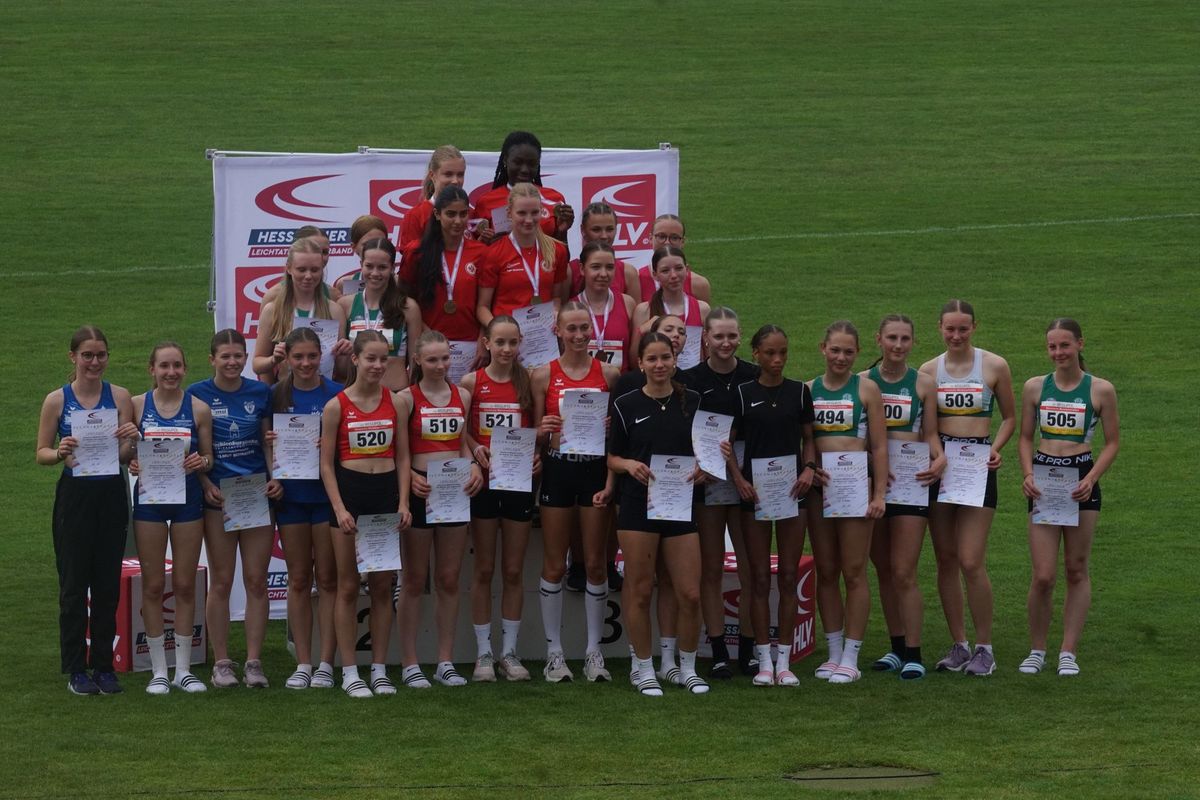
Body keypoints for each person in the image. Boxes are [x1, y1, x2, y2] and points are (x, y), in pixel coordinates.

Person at [36, 326, 138, 695]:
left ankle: (104, 667)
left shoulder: (120, 396)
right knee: (74, 584)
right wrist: (59, 452)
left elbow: (125, 456)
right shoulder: (57, 400)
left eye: (101, 355)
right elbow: (41, 453)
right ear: (73, 357)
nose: (95, 362)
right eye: (87, 355)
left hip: (110, 493)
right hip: (75, 496)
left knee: (108, 584)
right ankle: (76, 669)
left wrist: (131, 441)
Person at [919, 299, 1016, 677]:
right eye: (950, 329)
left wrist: (995, 448)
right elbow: (927, 426)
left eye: (963, 328)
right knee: (945, 559)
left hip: (977, 466)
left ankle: (984, 648)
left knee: (971, 560)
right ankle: (959, 644)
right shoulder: (929, 371)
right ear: (940, 328)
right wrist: (936, 454)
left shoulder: (994, 366)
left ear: (974, 327)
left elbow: (1009, 418)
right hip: (941, 468)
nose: (956, 335)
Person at [610, 332, 710, 696]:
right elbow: (612, 456)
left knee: (690, 593)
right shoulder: (625, 404)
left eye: (665, 357)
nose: (659, 365)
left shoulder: (693, 401)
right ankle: (642, 667)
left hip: (680, 504)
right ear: (640, 363)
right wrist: (628, 465)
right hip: (637, 504)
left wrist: (704, 468)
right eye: (651, 359)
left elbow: (707, 453)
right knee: (639, 590)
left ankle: (684, 666)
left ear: (675, 359)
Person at [1018, 318, 1119, 677]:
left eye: (1065, 345)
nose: (1058, 352)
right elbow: (1025, 437)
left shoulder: (1100, 389)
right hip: (1044, 482)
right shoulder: (1035, 387)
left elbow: (1112, 443)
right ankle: (1037, 650)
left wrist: (1091, 478)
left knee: (1076, 569)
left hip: (1081, 481)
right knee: (1043, 575)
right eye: (1052, 346)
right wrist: (1028, 474)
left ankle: (1068, 652)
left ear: (1079, 344)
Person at [531, 302, 621, 682]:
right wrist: (543, 429)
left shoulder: (610, 374)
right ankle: (554, 653)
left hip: (594, 471)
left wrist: (609, 426)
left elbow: (618, 433)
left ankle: (593, 653)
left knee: (596, 563)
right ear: (558, 331)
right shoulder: (542, 375)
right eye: (572, 329)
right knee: (554, 563)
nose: (580, 335)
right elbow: (537, 434)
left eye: (585, 328)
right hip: (558, 470)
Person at [319, 331, 410, 698]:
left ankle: (379, 669)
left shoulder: (396, 402)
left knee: (382, 586)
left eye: (383, 359)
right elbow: (326, 465)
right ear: (355, 359)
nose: (377, 365)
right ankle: (350, 672)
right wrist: (340, 508)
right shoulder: (336, 406)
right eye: (370, 358)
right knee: (347, 586)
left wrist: (403, 503)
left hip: (384, 495)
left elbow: (403, 456)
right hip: (350, 496)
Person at [189, 330, 280, 689]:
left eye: (238, 356)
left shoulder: (260, 393)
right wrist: (205, 485)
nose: (232, 362)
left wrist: (276, 477)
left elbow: (267, 443)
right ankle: (222, 663)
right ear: (212, 359)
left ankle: (254, 663)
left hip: (256, 496)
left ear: (245, 357)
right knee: (222, 581)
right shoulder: (196, 394)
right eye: (225, 356)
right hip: (218, 499)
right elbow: (194, 450)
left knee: (256, 581)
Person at [394, 330, 484, 687]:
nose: (439, 365)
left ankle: (445, 661)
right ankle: (410, 662)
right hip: (421, 491)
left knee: (448, 579)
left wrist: (473, 465)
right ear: (417, 360)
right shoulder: (406, 398)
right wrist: (410, 480)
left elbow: (461, 444)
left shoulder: (462, 395)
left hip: (453, 493)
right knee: (414, 580)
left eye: (445, 358)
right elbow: (400, 451)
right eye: (432, 360)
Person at [729, 325, 816, 687]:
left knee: (790, 575)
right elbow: (726, 444)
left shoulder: (799, 392)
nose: (777, 360)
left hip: (794, 492)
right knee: (760, 577)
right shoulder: (742, 394)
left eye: (783, 353)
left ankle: (785, 659)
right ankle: (763, 658)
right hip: (756, 494)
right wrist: (739, 480)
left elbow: (809, 438)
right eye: (770, 353)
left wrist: (809, 468)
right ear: (756, 354)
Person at [805, 321, 889, 684]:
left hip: (856, 488)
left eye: (848, 352)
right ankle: (834, 651)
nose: (841, 357)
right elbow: (805, 442)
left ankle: (852, 656)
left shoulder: (867, 389)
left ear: (857, 354)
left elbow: (880, 447)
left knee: (854, 571)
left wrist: (880, 493)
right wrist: (809, 469)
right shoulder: (808, 390)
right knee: (826, 571)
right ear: (823, 348)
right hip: (819, 491)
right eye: (835, 350)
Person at [863, 315, 945, 680]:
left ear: (913, 342)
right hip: (871, 484)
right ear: (878, 340)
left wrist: (939, 457)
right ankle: (896, 647)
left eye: (905, 339)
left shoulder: (924, 383)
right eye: (892, 338)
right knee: (882, 568)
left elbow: (931, 433)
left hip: (911, 482)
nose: (898, 345)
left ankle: (914, 652)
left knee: (903, 571)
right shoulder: (863, 382)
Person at [130, 342, 215, 694]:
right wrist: (131, 460)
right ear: (152, 369)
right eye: (164, 366)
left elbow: (208, 457)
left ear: (185, 368)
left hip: (187, 502)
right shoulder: (136, 405)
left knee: (184, 584)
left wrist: (201, 462)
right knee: (152, 585)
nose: (171, 372)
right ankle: (158, 671)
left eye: (177, 365)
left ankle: (183, 670)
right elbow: (124, 450)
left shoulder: (198, 408)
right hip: (150, 502)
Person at [681, 307, 759, 679]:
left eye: (731, 336)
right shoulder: (689, 380)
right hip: (708, 482)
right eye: (718, 336)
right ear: (706, 339)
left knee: (750, 569)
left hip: (747, 481)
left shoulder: (754, 375)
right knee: (711, 569)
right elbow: (683, 431)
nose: (725, 343)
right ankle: (717, 651)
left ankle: (748, 649)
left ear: (740, 336)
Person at [461, 317, 538, 681]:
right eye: (500, 342)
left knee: (513, 570)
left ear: (520, 343)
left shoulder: (529, 381)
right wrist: (474, 449)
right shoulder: (471, 382)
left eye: (513, 342)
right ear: (486, 343)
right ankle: (483, 654)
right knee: (484, 568)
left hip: (519, 482)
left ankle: (509, 652)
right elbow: (460, 431)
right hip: (485, 485)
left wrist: (539, 455)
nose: (507, 349)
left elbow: (538, 431)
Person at [270, 327, 342, 689]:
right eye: (298, 357)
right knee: (298, 579)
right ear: (287, 358)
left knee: (328, 580)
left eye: (312, 356)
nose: (305, 363)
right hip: (292, 498)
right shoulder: (276, 395)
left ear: (321, 355)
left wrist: (330, 443)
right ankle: (303, 662)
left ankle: (326, 663)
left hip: (326, 499)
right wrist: (270, 448)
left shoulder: (337, 394)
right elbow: (264, 444)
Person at [400, 186, 490, 384]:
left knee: (466, 400)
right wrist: (427, 333)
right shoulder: (417, 252)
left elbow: (486, 303)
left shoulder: (481, 252)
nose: (458, 221)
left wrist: (484, 341)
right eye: (450, 214)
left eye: (463, 214)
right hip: (429, 346)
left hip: (471, 348)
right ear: (437, 214)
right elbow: (405, 298)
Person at [254, 238, 352, 384]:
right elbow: (257, 364)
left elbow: (342, 370)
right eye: (301, 269)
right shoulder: (273, 310)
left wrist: (346, 353)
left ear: (322, 269)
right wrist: (273, 359)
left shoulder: (334, 310)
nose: (308, 276)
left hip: (324, 393)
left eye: (314, 270)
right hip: (286, 392)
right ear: (289, 268)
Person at [476, 182, 569, 324]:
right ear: (509, 213)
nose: (529, 220)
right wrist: (498, 330)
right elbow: (482, 307)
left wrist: (556, 311)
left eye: (534, 212)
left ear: (542, 211)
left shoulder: (557, 250)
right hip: (508, 335)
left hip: (543, 333)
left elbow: (557, 298)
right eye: (521, 213)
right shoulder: (493, 253)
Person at [338, 236, 422, 391]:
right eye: (369, 266)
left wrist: (411, 397)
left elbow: (416, 362)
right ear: (361, 265)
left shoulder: (408, 307)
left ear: (392, 268)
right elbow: (339, 366)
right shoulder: (345, 305)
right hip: (356, 396)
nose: (375, 273)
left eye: (382, 267)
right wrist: (344, 353)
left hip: (396, 394)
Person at [471, 131, 573, 243]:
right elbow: (474, 249)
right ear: (505, 160)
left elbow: (562, 251)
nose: (524, 169)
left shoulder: (555, 199)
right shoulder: (486, 202)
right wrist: (490, 245)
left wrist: (562, 231)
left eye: (531, 163)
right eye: (518, 162)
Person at [630, 246, 710, 370]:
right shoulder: (644, 310)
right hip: (658, 376)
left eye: (679, 268)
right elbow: (634, 362)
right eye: (665, 271)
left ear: (687, 270)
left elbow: (709, 354)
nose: (673, 275)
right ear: (655, 275)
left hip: (694, 378)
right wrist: (642, 331)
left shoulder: (702, 309)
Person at [574, 242, 636, 372]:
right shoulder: (571, 308)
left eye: (609, 267)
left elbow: (635, 353)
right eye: (596, 267)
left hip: (620, 382)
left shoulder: (628, 303)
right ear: (582, 269)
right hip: (583, 383)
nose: (603, 274)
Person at [568, 202, 640, 301]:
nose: (604, 236)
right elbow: (558, 307)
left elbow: (636, 310)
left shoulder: (628, 273)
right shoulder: (569, 272)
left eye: (609, 229)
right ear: (583, 230)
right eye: (596, 230)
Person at [399, 145, 468, 249]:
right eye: (448, 174)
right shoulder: (416, 216)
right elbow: (409, 256)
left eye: (460, 175)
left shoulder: (469, 213)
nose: (455, 181)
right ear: (432, 175)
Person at [634, 215, 711, 303]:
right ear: (651, 239)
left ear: (682, 242)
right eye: (661, 236)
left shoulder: (698, 284)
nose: (667, 242)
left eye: (674, 238)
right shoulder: (636, 281)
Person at [260, 225, 335, 308]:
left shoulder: (333, 295)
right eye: (313, 249)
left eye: (324, 252)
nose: (319, 256)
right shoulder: (273, 296)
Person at [331, 215, 391, 297]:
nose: (375, 248)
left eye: (380, 242)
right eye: (367, 244)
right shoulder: (346, 284)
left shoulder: (399, 283)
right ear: (354, 247)